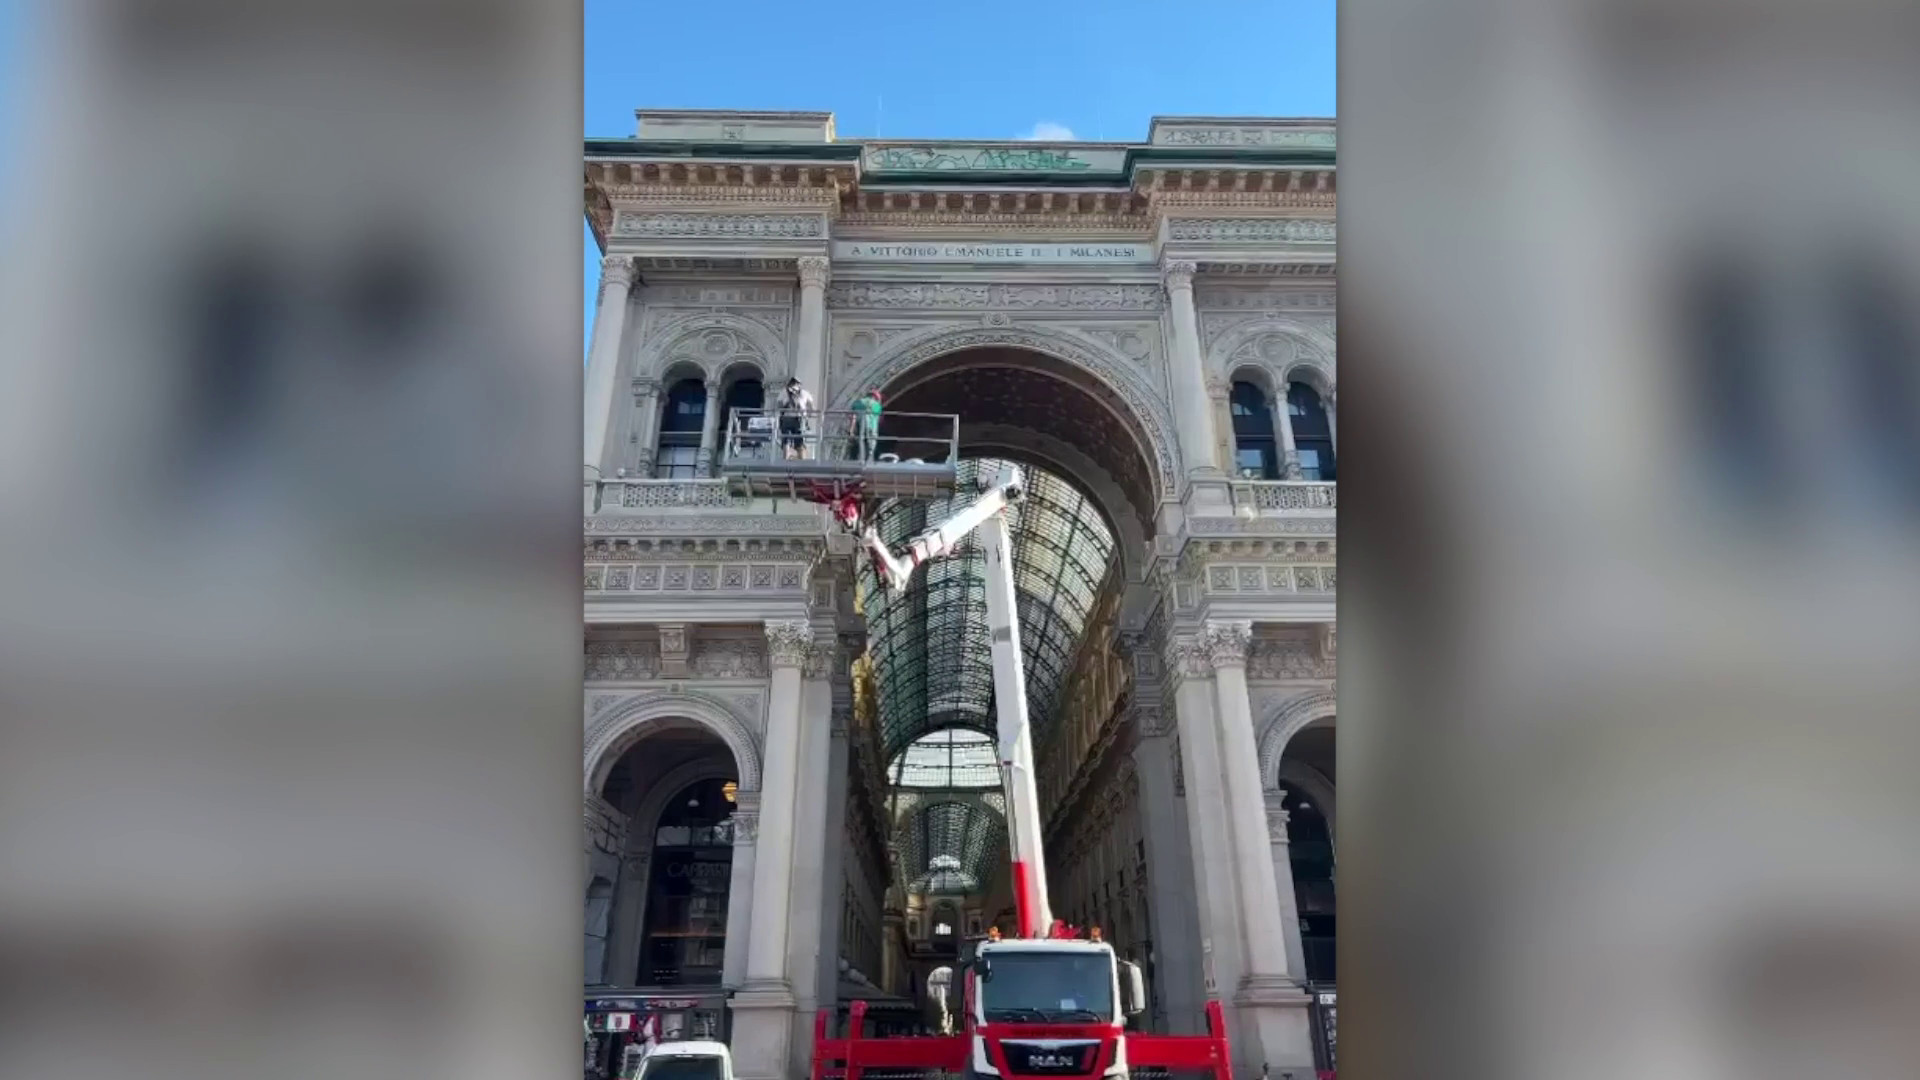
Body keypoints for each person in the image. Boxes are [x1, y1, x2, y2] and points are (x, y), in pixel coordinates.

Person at [777, 377, 814, 460]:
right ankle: (801, 461)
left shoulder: (784, 392)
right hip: (799, 419)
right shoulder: (804, 393)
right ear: (799, 384)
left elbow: (779, 405)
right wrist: (808, 415)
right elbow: (811, 406)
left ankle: (785, 460)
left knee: (786, 440)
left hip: (786, 418)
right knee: (800, 441)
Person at [852, 389, 884, 461]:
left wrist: (852, 429)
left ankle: (860, 458)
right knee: (871, 445)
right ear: (875, 397)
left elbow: (853, 415)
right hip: (871, 427)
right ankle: (869, 458)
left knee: (861, 442)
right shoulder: (876, 405)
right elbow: (879, 418)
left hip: (860, 427)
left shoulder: (858, 402)